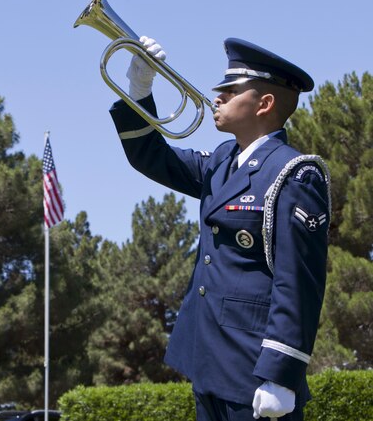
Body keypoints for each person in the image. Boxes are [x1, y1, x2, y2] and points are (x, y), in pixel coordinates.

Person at [108, 37, 331, 421]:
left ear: (264, 104)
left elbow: (299, 283)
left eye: (230, 90)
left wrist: (282, 374)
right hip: (208, 358)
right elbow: (153, 157)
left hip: (255, 368)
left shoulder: (295, 173)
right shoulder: (223, 161)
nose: (218, 97)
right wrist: (139, 91)